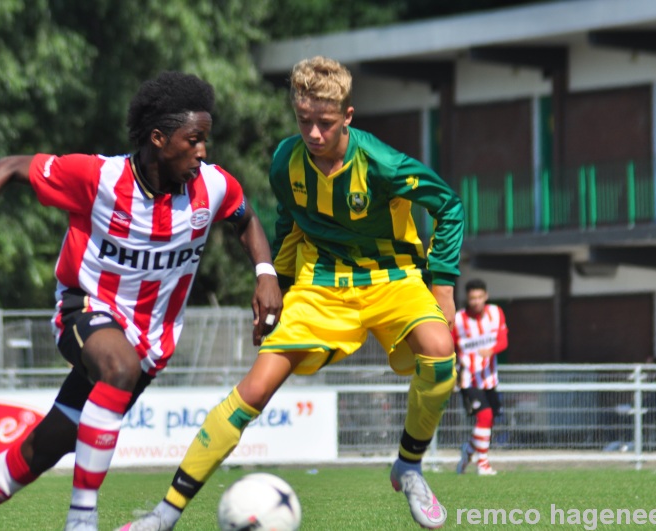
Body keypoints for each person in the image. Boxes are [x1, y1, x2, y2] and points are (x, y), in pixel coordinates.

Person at [0, 72, 282, 531]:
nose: (202, 151)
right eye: (193, 140)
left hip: (150, 344)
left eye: (205, 141)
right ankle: (81, 521)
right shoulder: (98, 177)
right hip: (84, 311)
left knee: (44, 447)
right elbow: (10, 166)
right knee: (118, 367)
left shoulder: (212, 186)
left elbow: (245, 218)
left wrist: (265, 273)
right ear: (158, 139)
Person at [117, 56, 464, 531]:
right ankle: (164, 514)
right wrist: (273, 286)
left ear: (347, 116)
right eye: (304, 121)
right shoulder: (285, 160)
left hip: (394, 280)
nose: (314, 133)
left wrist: (441, 286)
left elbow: (449, 206)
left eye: (325, 123)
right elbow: (288, 223)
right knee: (252, 391)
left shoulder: (382, 163)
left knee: (441, 355)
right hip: (321, 286)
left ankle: (409, 466)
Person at [453, 278, 508, 476]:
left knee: (490, 420)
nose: (475, 301)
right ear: (467, 299)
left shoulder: (496, 313)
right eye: (472, 298)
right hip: (469, 379)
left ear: (485, 296)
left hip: (490, 378)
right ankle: (482, 464)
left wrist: (491, 349)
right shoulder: (458, 319)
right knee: (484, 416)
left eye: (479, 297)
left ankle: (468, 450)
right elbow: (450, 348)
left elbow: (503, 341)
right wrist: (453, 374)